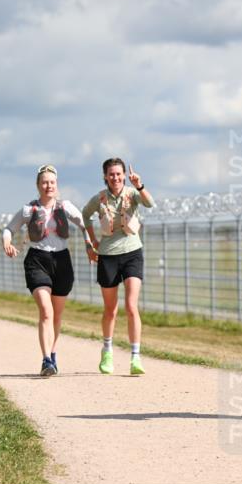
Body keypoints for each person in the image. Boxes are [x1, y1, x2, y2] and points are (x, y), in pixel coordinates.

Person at [3, 164, 94, 377]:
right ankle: (45, 360)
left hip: (62, 261)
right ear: (38, 185)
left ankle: (53, 355)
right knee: (46, 310)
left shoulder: (66, 207)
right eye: (44, 182)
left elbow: (84, 225)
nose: (48, 186)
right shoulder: (29, 210)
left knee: (56, 314)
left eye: (52, 182)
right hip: (37, 261)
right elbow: (9, 229)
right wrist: (7, 242)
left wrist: (89, 244)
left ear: (57, 185)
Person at [82, 158, 155, 376]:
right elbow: (84, 216)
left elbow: (150, 204)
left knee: (131, 306)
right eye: (111, 174)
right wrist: (91, 242)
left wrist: (139, 185)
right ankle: (107, 350)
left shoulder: (132, 194)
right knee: (110, 310)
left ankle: (135, 357)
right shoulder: (99, 199)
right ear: (105, 176)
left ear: (124, 175)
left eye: (118, 174)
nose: (115, 177)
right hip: (107, 256)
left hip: (132, 253)